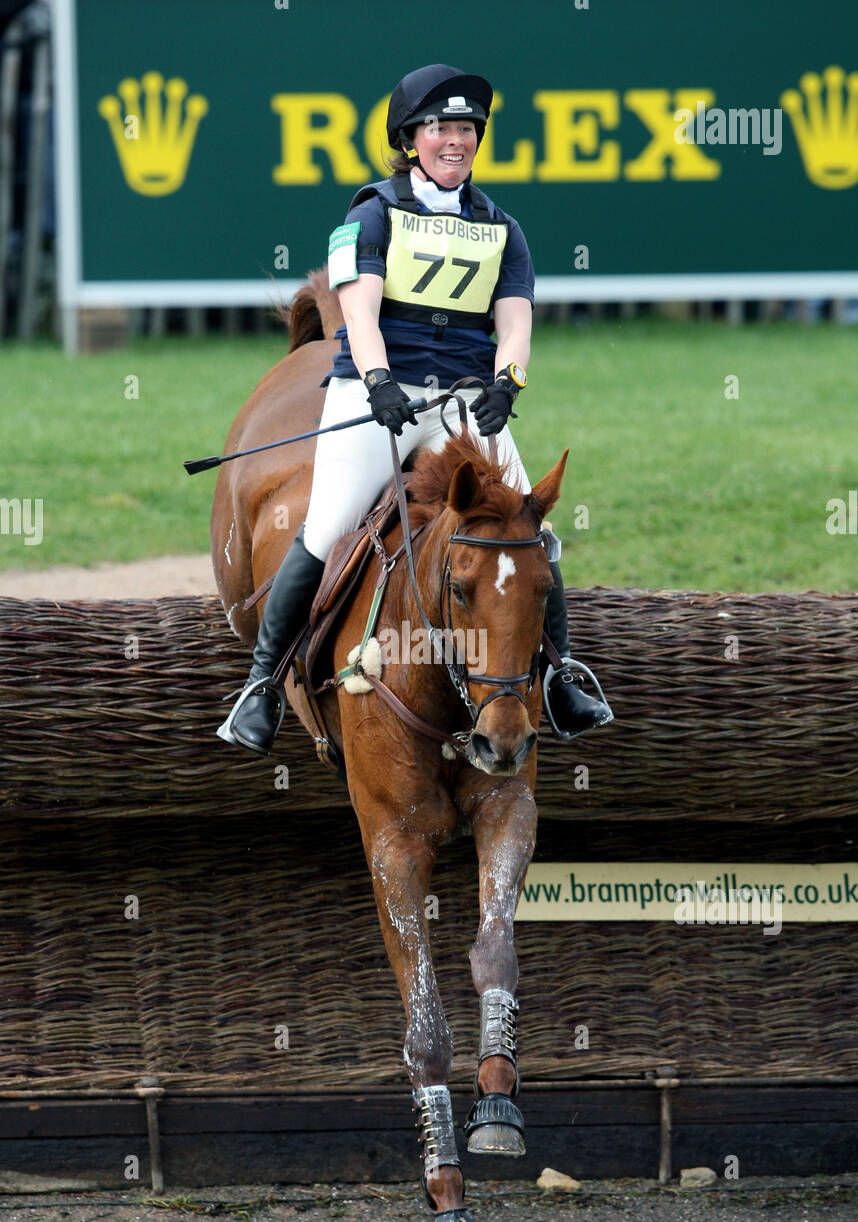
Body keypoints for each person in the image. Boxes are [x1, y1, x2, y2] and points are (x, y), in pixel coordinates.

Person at [221, 64, 612, 755]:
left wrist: (506, 383)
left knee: (532, 534)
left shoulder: (501, 227)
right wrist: (377, 382)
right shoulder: (371, 211)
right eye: (440, 128)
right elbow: (360, 311)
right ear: (410, 139)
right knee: (326, 528)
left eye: (466, 129)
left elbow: (514, 320)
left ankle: (561, 679)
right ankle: (261, 686)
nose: (455, 140)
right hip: (383, 395)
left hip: (463, 400)